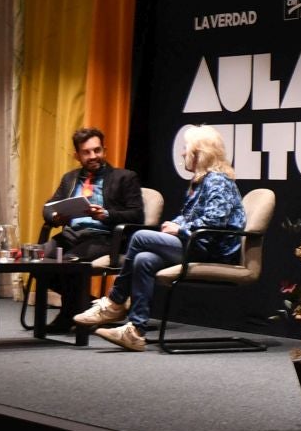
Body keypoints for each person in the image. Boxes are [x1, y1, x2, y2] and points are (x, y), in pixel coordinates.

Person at [73, 125, 244, 352]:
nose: (183, 153)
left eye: (186, 148)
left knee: (140, 237)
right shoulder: (202, 181)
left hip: (212, 251)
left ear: (199, 153)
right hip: (196, 244)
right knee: (144, 259)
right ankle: (135, 331)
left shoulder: (217, 181)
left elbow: (214, 223)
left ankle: (115, 301)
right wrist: (175, 224)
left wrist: (180, 229)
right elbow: (191, 216)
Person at [41, 127, 145, 263]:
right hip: (70, 235)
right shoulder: (70, 178)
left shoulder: (125, 177)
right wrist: (55, 217)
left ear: (104, 151)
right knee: (37, 257)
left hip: (104, 237)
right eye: (86, 152)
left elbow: (137, 215)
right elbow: (48, 207)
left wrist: (106, 214)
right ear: (77, 156)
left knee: (68, 262)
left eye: (97, 150)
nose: (93, 156)